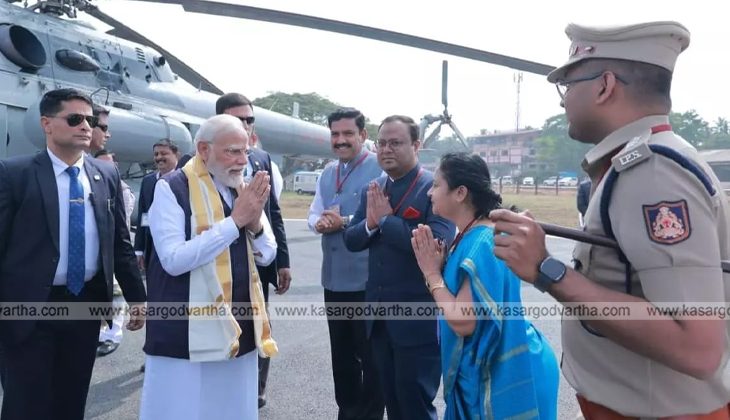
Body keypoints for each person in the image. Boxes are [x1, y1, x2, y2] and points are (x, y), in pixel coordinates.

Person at [489, 21, 730, 419]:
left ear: (604, 86)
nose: (563, 102)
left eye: (568, 86)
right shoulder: (642, 163)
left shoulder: (653, 172)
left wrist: (545, 270)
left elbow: (698, 348)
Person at [0, 88, 147, 420]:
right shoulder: (14, 174)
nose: (86, 126)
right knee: (25, 406)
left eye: (90, 120)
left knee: (70, 402)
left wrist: (138, 298)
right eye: (75, 118)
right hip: (27, 310)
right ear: (47, 124)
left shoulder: (105, 174)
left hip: (84, 306)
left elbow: (119, 243)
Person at [139, 114, 278, 420]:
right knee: (180, 410)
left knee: (231, 410)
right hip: (184, 329)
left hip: (236, 325)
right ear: (203, 150)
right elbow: (173, 260)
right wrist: (235, 222)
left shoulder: (242, 188)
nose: (242, 161)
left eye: (245, 151)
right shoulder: (171, 187)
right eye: (232, 151)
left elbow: (267, 254)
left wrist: (253, 224)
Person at [411, 152, 559, 420]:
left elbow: (463, 321)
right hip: (503, 359)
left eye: (436, 185)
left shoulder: (481, 241)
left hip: (505, 369)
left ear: (460, 193)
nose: (429, 192)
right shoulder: (472, 233)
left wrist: (431, 273)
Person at [344, 115, 456, 420]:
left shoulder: (433, 188)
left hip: (416, 320)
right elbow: (352, 239)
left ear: (416, 145)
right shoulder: (375, 187)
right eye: (381, 143)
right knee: (391, 402)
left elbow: (435, 245)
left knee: (415, 404)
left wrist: (385, 221)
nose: (386, 150)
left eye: (396, 143)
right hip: (378, 318)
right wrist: (370, 222)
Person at [308, 107, 385, 420]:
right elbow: (314, 212)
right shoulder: (328, 172)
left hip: (366, 282)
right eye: (335, 134)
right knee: (341, 357)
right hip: (334, 280)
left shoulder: (380, 169)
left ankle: (368, 415)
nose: (340, 141)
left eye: (347, 134)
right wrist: (320, 223)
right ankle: (348, 412)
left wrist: (344, 221)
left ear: (363, 136)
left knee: (371, 357)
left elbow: (383, 216)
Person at [216, 92, 292, 408]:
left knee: (260, 323)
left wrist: (283, 261)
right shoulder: (200, 160)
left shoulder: (261, 159)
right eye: (238, 119)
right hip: (218, 263)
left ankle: (255, 390)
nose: (246, 125)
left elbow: (273, 212)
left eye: (250, 119)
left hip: (259, 263)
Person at [94, 149, 136, 357]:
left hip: (113, 250)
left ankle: (113, 335)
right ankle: (101, 332)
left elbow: (121, 224)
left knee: (116, 295)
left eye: (107, 165)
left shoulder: (122, 189)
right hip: (97, 251)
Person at [135, 138, 181, 272]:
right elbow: (143, 214)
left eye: (163, 153)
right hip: (151, 246)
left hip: (176, 244)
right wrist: (139, 249)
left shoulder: (186, 179)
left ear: (176, 155)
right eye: (156, 154)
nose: (159, 157)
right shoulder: (148, 181)